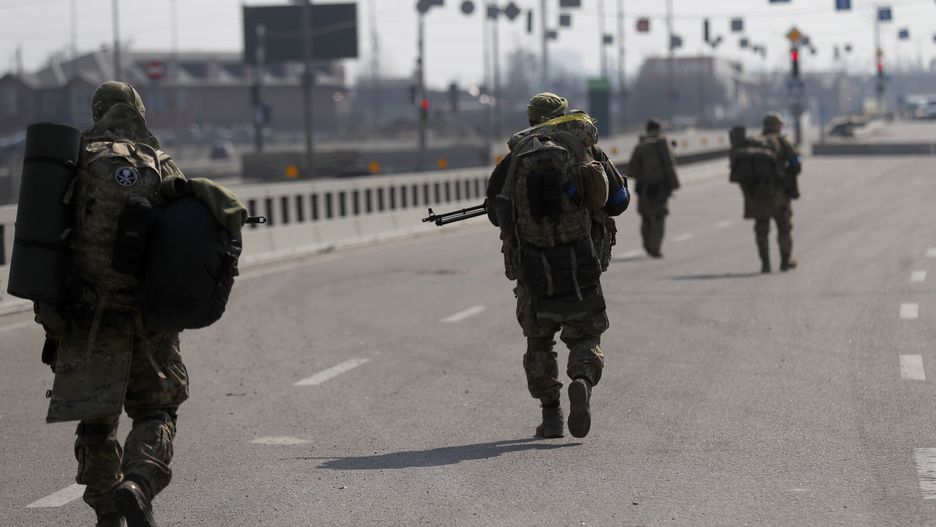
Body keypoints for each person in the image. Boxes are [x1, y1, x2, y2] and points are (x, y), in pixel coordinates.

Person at [35, 81, 190, 527]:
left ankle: (106, 509)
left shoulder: (74, 163)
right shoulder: (161, 165)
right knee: (156, 409)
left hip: (86, 315)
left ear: (98, 112)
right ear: (138, 111)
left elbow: (50, 239)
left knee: (96, 421)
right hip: (149, 317)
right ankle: (138, 484)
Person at [485, 92, 629, 439]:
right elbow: (619, 202)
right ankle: (581, 379)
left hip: (533, 267)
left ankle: (551, 417)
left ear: (531, 118)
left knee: (538, 342)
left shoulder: (515, 157)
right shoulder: (587, 148)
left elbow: (495, 213)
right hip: (581, 261)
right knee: (586, 333)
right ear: (564, 115)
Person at [740, 112, 802, 273]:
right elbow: (796, 163)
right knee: (784, 228)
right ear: (776, 126)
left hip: (757, 196)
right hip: (778, 195)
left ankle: (765, 263)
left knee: (761, 230)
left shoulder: (753, 143)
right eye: (780, 124)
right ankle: (785, 261)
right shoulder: (782, 142)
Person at [627, 118, 680, 258]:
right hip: (660, 188)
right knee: (659, 218)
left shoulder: (640, 146)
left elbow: (631, 171)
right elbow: (671, 166)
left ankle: (647, 245)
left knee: (646, 218)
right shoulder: (664, 145)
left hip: (643, 189)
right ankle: (655, 248)